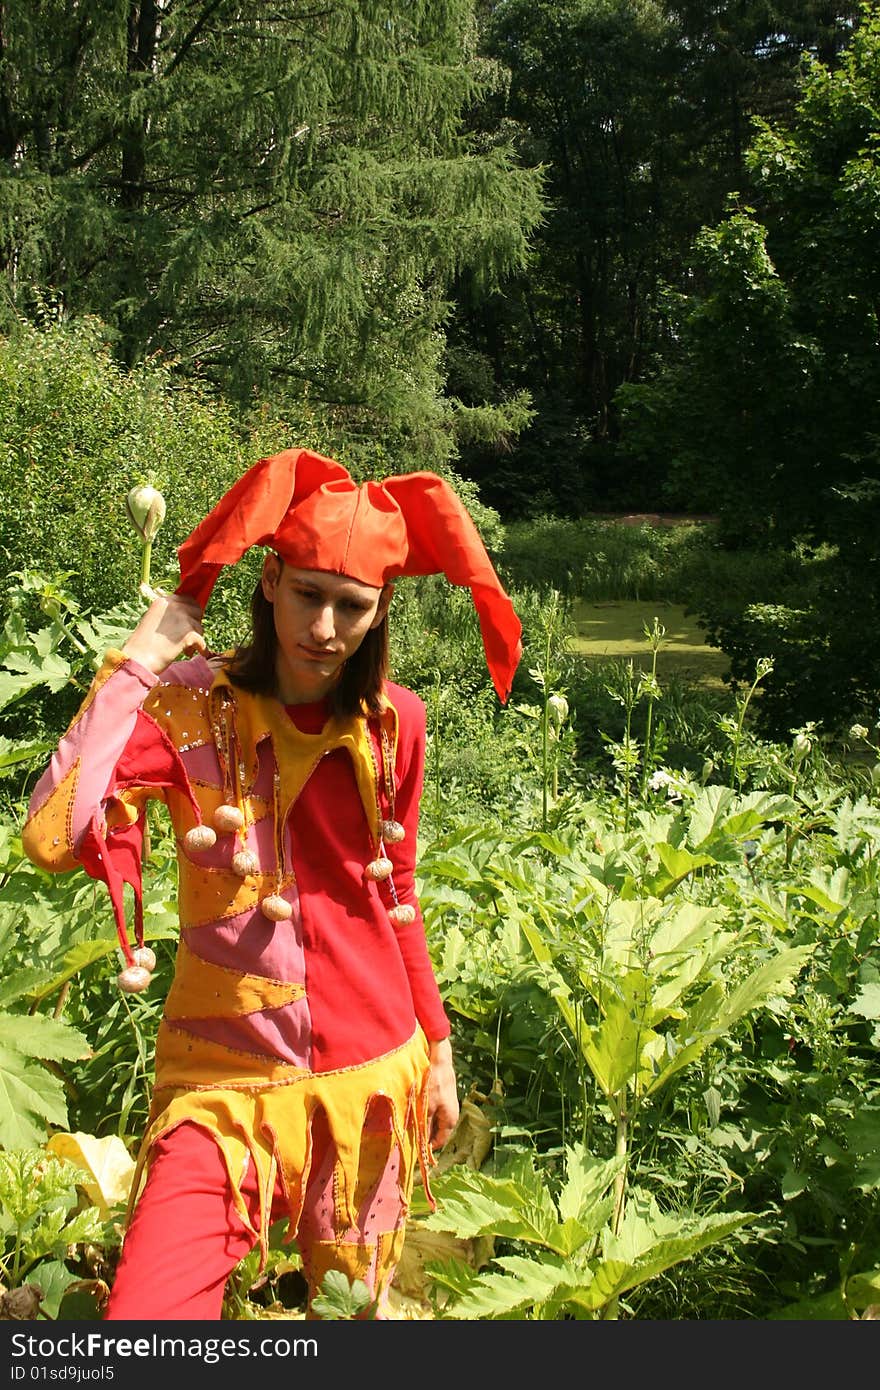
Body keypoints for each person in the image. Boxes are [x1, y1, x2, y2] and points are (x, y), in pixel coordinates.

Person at [22, 447, 522, 1321]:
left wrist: (436, 1049)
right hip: (221, 1087)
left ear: (379, 612)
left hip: (372, 1081)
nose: (324, 627)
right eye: (307, 595)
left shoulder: (395, 723)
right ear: (268, 581)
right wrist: (145, 650)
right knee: (148, 1320)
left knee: (353, 1322)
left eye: (351, 607)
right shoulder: (189, 708)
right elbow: (53, 834)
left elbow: (393, 889)